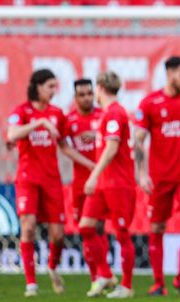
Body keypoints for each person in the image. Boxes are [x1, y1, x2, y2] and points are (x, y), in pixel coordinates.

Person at [7, 69, 95, 297]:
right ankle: (31, 284)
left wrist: (91, 165)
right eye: (50, 86)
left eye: (55, 87)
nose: (53, 91)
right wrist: (39, 124)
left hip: (52, 180)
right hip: (27, 179)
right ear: (37, 86)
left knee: (58, 235)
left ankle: (52, 267)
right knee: (28, 227)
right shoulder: (23, 111)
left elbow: (65, 146)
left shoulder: (58, 114)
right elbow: (12, 134)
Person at [134, 56, 180, 296]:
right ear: (169, 73)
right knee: (157, 226)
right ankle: (158, 282)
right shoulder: (150, 103)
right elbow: (138, 140)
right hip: (159, 177)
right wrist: (141, 173)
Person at [78, 71, 137, 299]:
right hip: (105, 183)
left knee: (122, 233)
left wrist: (93, 175)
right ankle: (104, 274)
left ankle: (127, 286)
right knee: (86, 226)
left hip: (118, 182)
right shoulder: (109, 114)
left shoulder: (114, 112)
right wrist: (95, 136)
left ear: (100, 86)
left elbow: (112, 148)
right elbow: (111, 139)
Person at [65, 79, 111, 287]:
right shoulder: (69, 121)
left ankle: (104, 275)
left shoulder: (103, 116)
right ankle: (97, 278)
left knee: (97, 228)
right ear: (75, 98)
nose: (86, 98)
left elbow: (114, 141)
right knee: (85, 231)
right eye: (81, 94)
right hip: (79, 184)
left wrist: (97, 135)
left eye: (89, 93)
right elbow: (65, 147)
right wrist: (90, 165)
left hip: (100, 183)